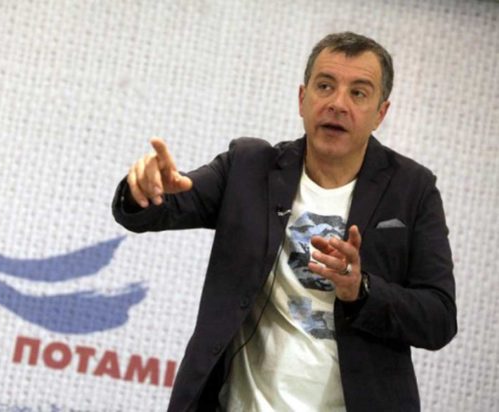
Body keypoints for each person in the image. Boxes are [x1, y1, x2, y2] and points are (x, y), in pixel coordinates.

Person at [112, 32, 456, 412]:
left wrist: (360, 290)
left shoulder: (413, 190)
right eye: (325, 86)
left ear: (380, 113)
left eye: (358, 93)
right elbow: (166, 205)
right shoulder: (249, 167)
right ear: (302, 98)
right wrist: (145, 191)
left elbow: (439, 318)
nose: (338, 103)